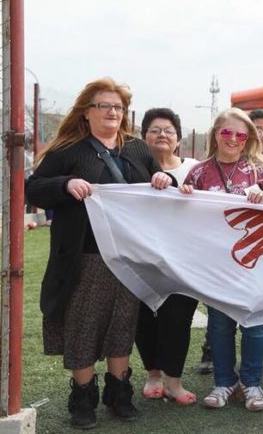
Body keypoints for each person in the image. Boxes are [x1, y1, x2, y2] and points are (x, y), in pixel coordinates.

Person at [25, 77, 174, 429]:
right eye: (104, 106)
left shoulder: (138, 149)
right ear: (86, 113)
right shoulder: (69, 151)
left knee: (123, 325)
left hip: (129, 257)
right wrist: (65, 183)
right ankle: (82, 397)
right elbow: (34, 189)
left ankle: (118, 393)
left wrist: (165, 180)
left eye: (118, 108)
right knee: (84, 326)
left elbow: (165, 186)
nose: (112, 112)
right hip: (85, 257)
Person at [179, 108, 263, 412]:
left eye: (241, 134)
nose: (234, 139)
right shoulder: (198, 172)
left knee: (255, 324)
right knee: (220, 324)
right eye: (227, 132)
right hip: (215, 263)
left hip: (254, 260)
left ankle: (251, 383)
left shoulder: (258, 170)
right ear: (216, 134)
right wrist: (183, 194)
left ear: (248, 137)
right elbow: (180, 214)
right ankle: (224, 382)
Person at [135, 108, 200, 405]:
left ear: (178, 139)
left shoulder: (195, 169)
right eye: (155, 130)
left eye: (169, 130)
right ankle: (153, 375)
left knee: (178, 318)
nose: (162, 135)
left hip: (184, 261)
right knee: (143, 318)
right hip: (140, 258)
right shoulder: (130, 169)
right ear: (143, 137)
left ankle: (174, 382)